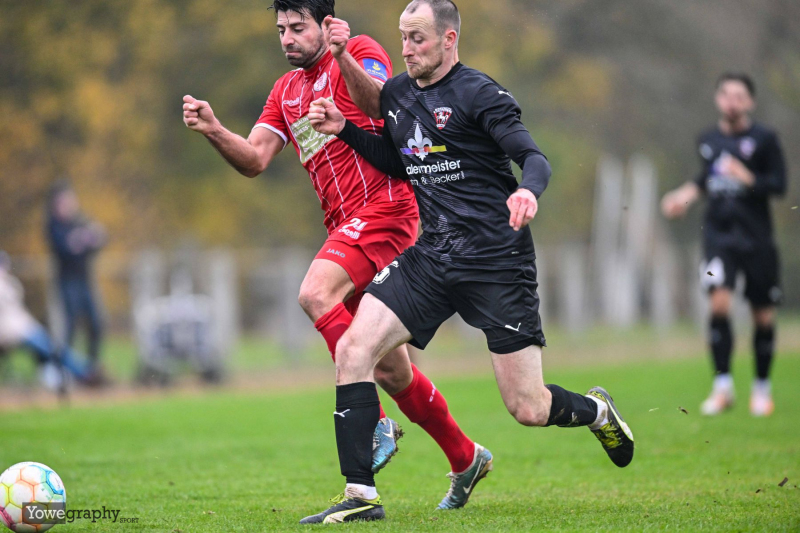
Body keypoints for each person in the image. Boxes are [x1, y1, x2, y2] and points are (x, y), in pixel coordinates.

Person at [302, 0, 634, 523]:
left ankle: (596, 411)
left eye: (418, 39)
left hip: (496, 262)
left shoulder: (479, 93)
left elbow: (534, 157)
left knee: (528, 408)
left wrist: (527, 192)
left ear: (450, 40)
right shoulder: (397, 95)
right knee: (353, 348)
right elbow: (401, 160)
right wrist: (345, 127)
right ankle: (361, 495)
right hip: (432, 258)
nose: (406, 50)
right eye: (403, 38)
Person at [182, 0, 482, 507]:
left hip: (387, 208)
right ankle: (465, 456)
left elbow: (380, 108)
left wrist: (342, 56)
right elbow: (255, 159)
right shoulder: (286, 91)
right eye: (281, 29)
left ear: (325, 25)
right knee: (392, 371)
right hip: (346, 227)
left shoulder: (360, 51)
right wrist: (214, 128)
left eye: (298, 28)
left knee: (315, 292)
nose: (287, 38)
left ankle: (375, 427)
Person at [661, 73, 787, 417]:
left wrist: (747, 176)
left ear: (750, 102)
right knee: (718, 303)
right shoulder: (708, 139)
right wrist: (683, 195)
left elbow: (779, 185)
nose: (732, 101)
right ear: (718, 99)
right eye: (726, 95)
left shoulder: (765, 139)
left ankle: (762, 389)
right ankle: (723, 387)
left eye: (739, 96)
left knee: (763, 316)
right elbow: (706, 178)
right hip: (718, 238)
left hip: (756, 240)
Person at [0, 251, 91, 389]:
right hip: (12, 333)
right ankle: (86, 374)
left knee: (53, 350)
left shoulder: (9, 282)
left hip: (23, 329)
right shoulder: (5, 285)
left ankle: (82, 373)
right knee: (53, 350)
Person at [46, 181, 107, 376]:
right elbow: (65, 249)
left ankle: (91, 368)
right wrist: (81, 240)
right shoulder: (54, 225)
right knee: (70, 326)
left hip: (84, 280)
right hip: (66, 282)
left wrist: (84, 240)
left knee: (97, 323)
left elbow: (99, 239)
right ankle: (63, 370)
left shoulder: (80, 220)